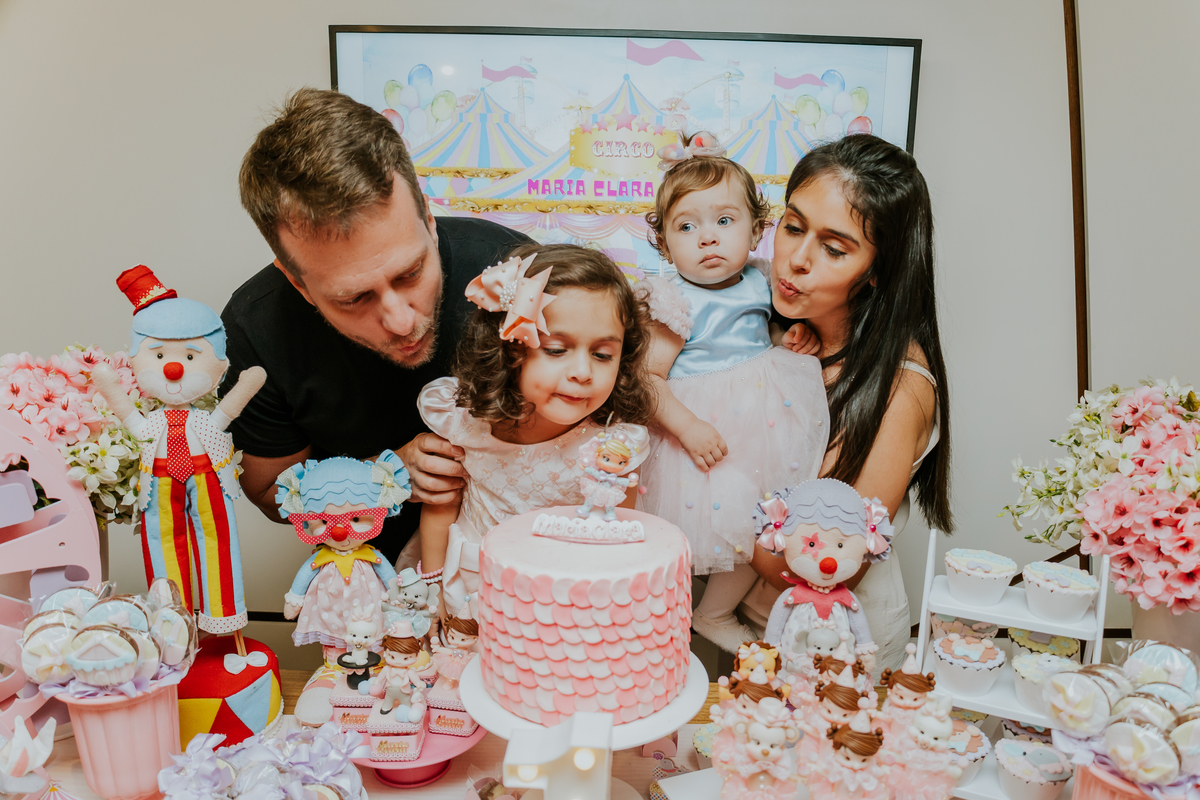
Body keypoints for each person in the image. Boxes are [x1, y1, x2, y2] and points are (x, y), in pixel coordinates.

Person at [222, 88, 532, 562]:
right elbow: (270, 493)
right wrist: (384, 478)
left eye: (411, 273)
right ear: (297, 283)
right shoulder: (257, 328)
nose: (402, 321)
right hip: (368, 581)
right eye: (354, 298)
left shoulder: (510, 268)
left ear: (429, 221)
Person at [749, 133, 953, 673]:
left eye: (834, 248)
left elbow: (829, 565)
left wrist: (705, 491)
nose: (795, 259)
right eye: (792, 228)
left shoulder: (898, 389)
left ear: (878, 270)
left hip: (838, 639)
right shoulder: (777, 332)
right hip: (752, 618)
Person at [634, 132, 828, 652]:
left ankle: (715, 610)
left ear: (757, 230)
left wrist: (787, 338)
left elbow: (760, 334)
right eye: (687, 226)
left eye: (724, 221)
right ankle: (662, 632)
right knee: (722, 528)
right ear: (664, 244)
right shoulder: (671, 299)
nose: (708, 238)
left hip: (763, 426)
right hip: (702, 435)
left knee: (767, 523)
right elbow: (648, 381)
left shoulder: (763, 280)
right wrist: (688, 428)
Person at [414, 244, 655, 615]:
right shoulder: (464, 419)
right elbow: (440, 508)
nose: (583, 372)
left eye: (603, 354)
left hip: (560, 607)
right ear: (512, 349)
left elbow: (612, 540)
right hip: (467, 590)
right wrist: (432, 599)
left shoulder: (613, 448)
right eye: (557, 349)